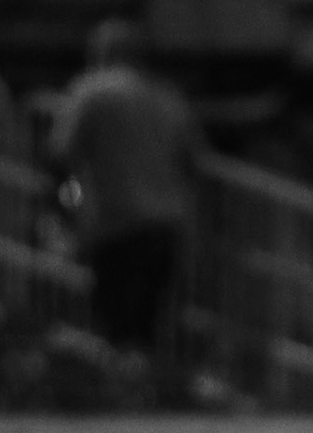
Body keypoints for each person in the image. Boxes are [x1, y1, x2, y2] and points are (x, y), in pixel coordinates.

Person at [48, 18, 204, 357]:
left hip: (117, 222)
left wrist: (68, 207)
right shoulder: (167, 97)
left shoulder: (92, 91)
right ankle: (143, 388)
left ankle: (121, 391)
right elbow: (192, 160)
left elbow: (61, 157)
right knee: (149, 322)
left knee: (114, 320)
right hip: (167, 223)